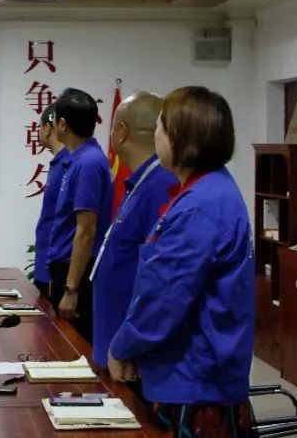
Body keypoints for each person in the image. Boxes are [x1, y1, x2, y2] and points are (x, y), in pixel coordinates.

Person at [108, 86, 254, 438]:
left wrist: (122, 346)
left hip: (195, 385)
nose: (155, 135)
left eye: (161, 126)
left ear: (182, 138)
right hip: (196, 376)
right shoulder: (208, 191)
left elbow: (164, 298)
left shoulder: (199, 207)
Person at [89, 92, 178, 381]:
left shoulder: (161, 185)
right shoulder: (140, 182)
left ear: (122, 131)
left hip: (131, 355)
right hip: (113, 342)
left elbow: (159, 277)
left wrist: (131, 345)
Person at [46, 88, 112, 343]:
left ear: (62, 124)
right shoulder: (78, 159)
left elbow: (86, 230)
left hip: (77, 274)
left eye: (53, 120)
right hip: (66, 268)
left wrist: (71, 289)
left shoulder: (88, 163)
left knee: (73, 349)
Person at [32, 103, 68, 300]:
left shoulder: (69, 164)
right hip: (46, 260)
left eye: (40, 126)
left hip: (56, 264)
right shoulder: (58, 162)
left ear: (48, 127)